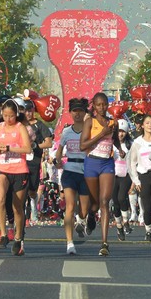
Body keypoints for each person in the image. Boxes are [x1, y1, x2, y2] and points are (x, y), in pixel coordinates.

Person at [0, 98, 33, 256]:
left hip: (19, 169)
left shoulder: (20, 127)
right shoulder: (0, 127)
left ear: (16, 114)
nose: (8, 119)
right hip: (2, 168)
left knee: (17, 207)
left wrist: (10, 148)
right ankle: (3, 234)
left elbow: (27, 148)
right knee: (0, 199)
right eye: (5, 115)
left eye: (11, 116)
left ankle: (18, 237)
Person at [80, 92, 118, 257]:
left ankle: (104, 243)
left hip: (107, 163)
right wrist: (101, 134)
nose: (102, 107)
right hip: (92, 163)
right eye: (99, 105)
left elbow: (115, 139)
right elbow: (82, 145)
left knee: (104, 201)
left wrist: (121, 149)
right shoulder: (90, 122)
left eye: (104, 104)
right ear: (94, 106)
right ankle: (91, 215)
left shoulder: (113, 122)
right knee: (94, 203)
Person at [55, 98, 91, 256]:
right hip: (69, 170)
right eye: (75, 111)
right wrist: (57, 161)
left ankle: (81, 219)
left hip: (86, 171)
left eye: (80, 111)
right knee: (70, 206)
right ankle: (69, 243)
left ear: (85, 113)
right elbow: (59, 151)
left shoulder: (89, 131)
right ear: (70, 113)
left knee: (84, 208)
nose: (77, 114)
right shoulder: (66, 132)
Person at [128, 114, 151, 242]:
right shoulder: (137, 142)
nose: (150, 125)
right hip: (143, 176)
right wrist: (136, 180)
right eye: (147, 123)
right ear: (142, 125)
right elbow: (132, 162)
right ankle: (148, 230)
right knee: (146, 207)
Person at [23, 99, 53, 224]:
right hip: (20, 160)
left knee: (32, 190)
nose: (28, 113)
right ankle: (24, 214)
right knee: (21, 189)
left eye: (30, 111)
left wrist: (35, 146)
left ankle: (33, 205)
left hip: (34, 161)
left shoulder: (39, 125)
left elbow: (49, 143)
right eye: (25, 111)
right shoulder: (19, 124)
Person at [112, 120, 134, 240]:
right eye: (118, 131)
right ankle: (119, 226)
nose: (120, 134)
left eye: (123, 132)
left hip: (126, 174)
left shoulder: (131, 144)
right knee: (115, 202)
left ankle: (126, 221)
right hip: (113, 174)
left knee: (121, 197)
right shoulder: (111, 143)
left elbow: (134, 160)